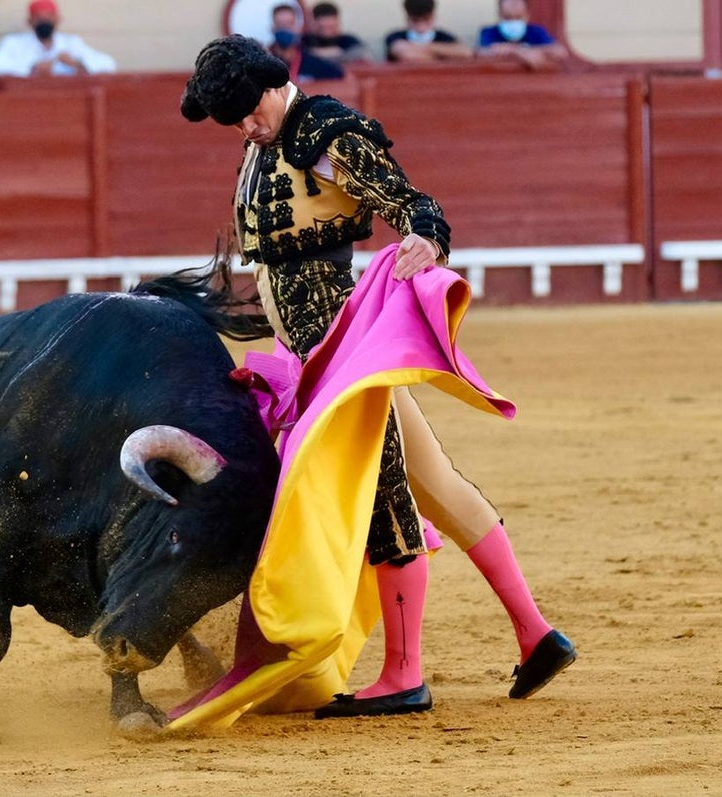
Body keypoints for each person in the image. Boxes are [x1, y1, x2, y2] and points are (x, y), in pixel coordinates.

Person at [179, 35, 575, 718]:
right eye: (234, 120)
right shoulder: (263, 144)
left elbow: (412, 202)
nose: (245, 127)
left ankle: (404, 673)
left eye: (248, 112)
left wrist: (425, 237)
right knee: (435, 484)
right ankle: (536, 632)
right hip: (312, 357)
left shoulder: (326, 132)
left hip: (347, 355)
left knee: (390, 499)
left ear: (274, 87)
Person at [0, 0, 116, 80]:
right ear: (30, 22)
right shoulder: (14, 43)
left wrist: (77, 64)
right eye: (39, 17)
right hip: (27, 103)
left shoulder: (72, 43)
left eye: (49, 17)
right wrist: (32, 69)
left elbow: (109, 65)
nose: (44, 21)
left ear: (58, 19)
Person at [477, 0, 568, 70]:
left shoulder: (536, 32)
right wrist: (520, 52)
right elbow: (482, 52)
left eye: (518, 17)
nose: (513, 22)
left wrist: (531, 51)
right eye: (507, 17)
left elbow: (560, 52)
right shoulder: (489, 32)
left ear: (527, 16)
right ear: (499, 15)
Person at [385, 0, 473, 63]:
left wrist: (419, 48)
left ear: (433, 18)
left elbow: (466, 52)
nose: (421, 25)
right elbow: (405, 54)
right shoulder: (395, 35)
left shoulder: (443, 36)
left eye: (426, 19)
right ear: (408, 20)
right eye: (416, 20)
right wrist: (445, 56)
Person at [302, 2, 370, 65]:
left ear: (337, 22)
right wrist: (333, 52)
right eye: (322, 26)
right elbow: (298, 56)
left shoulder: (348, 40)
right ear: (313, 22)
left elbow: (364, 54)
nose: (326, 27)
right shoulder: (305, 40)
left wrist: (338, 53)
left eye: (330, 26)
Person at [269, 29, 345, 83]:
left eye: (292, 47)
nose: (287, 52)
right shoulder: (271, 63)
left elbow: (338, 73)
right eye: (283, 48)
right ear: (276, 48)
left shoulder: (311, 62)